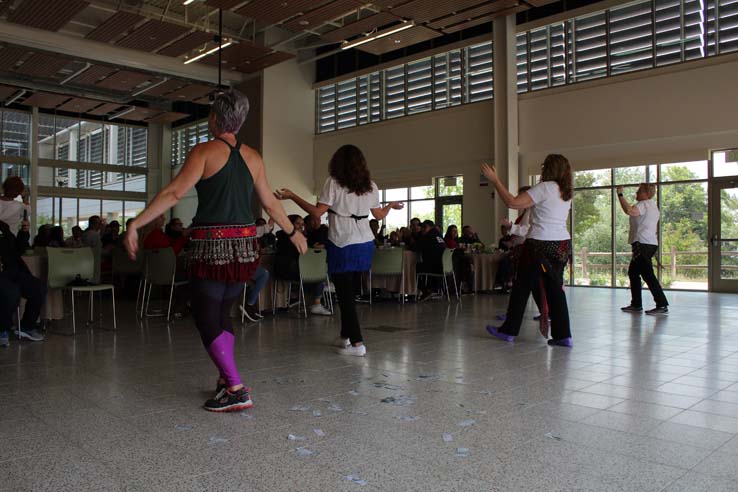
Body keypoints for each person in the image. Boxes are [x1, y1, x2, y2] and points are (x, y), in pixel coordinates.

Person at [124, 89, 306, 412]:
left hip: (211, 250)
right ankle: (226, 379)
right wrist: (293, 232)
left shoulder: (204, 151)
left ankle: (235, 387)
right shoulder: (253, 157)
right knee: (222, 314)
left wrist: (137, 223)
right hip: (242, 251)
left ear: (214, 118)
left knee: (206, 316)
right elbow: (270, 202)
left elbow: (174, 193)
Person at [276, 144, 403, 357]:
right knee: (349, 292)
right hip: (364, 244)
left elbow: (317, 213)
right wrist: (390, 205)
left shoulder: (333, 183)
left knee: (345, 296)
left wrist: (292, 196)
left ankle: (357, 344)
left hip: (343, 242)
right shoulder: (370, 185)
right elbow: (379, 216)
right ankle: (345, 336)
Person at [483, 154, 574, 348]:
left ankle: (508, 331)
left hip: (540, 244)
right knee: (555, 290)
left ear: (548, 169)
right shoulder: (565, 191)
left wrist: (495, 180)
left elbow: (513, 202)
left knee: (521, 287)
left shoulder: (545, 188)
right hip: (563, 244)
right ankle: (563, 335)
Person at [618, 183, 669, 315]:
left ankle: (662, 304)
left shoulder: (644, 204)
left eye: (639, 192)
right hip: (647, 243)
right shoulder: (652, 206)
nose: (636, 194)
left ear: (646, 194)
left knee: (648, 275)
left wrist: (620, 195)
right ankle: (636, 304)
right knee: (633, 273)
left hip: (643, 244)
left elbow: (629, 210)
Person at [274, 214, 332, 316]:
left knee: (320, 269)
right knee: (319, 271)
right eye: (297, 224)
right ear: (290, 224)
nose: (301, 226)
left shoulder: (302, 237)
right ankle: (319, 295)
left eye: (302, 224)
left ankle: (320, 291)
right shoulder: (285, 238)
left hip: (300, 269)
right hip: (288, 270)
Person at [0, 220, 46, 346]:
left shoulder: (3, 227)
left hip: (14, 272)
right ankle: (2, 329)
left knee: (39, 288)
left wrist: (23, 233)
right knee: (11, 292)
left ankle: (27, 326)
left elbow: (16, 249)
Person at [415, 219, 447, 302]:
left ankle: (426, 291)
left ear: (430, 227)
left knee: (413, 268)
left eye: (424, 227)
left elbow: (415, 248)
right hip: (444, 266)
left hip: (435, 268)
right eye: (422, 227)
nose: (422, 229)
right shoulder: (439, 235)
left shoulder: (428, 237)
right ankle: (431, 289)